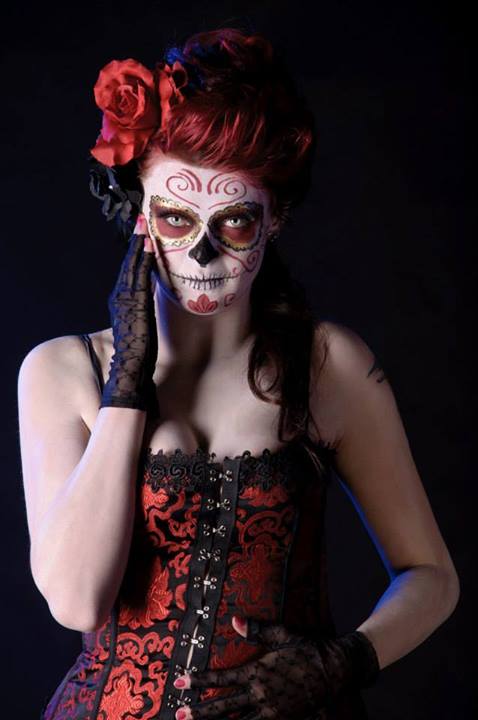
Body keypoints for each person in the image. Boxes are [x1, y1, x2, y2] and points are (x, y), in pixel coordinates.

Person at [17, 27, 460, 720]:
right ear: (138, 214)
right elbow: (76, 602)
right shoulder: (64, 371)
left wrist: (345, 661)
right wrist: (126, 384)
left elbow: (433, 576)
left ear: (275, 218)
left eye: (235, 223)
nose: (201, 250)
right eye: (174, 217)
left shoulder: (328, 365)